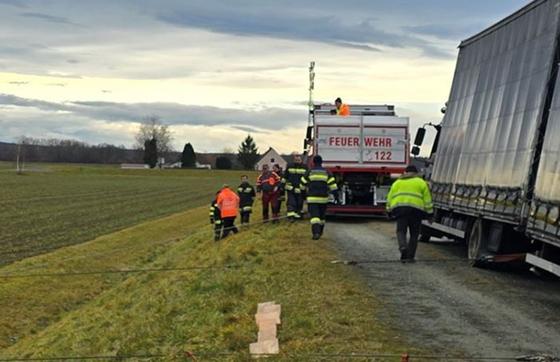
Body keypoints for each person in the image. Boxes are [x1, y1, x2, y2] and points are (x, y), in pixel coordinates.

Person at [386, 165, 433, 263]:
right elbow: (427, 200)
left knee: (401, 231)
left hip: (400, 210)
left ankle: (403, 247)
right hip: (416, 211)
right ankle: (410, 257)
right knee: (414, 234)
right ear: (416, 173)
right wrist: (430, 214)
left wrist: (388, 211)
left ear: (405, 172)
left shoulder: (397, 183)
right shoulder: (421, 183)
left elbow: (389, 198)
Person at [300, 155, 338, 240]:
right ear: (321, 162)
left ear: (313, 162)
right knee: (321, 217)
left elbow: (302, 184)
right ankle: (320, 232)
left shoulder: (309, 172)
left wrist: (304, 196)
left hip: (312, 198)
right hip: (323, 199)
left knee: (314, 217)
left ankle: (315, 233)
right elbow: (333, 186)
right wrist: (336, 197)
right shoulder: (327, 172)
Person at [282, 153, 308, 221]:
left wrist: (306, 187)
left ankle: (298, 216)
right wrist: (281, 185)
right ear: (294, 160)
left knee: (299, 203)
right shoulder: (289, 166)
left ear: (301, 160)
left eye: (298, 160)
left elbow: (307, 178)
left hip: (300, 189)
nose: (297, 161)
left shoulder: (305, 167)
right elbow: (285, 177)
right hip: (291, 188)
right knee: (291, 203)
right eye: (296, 160)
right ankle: (291, 217)